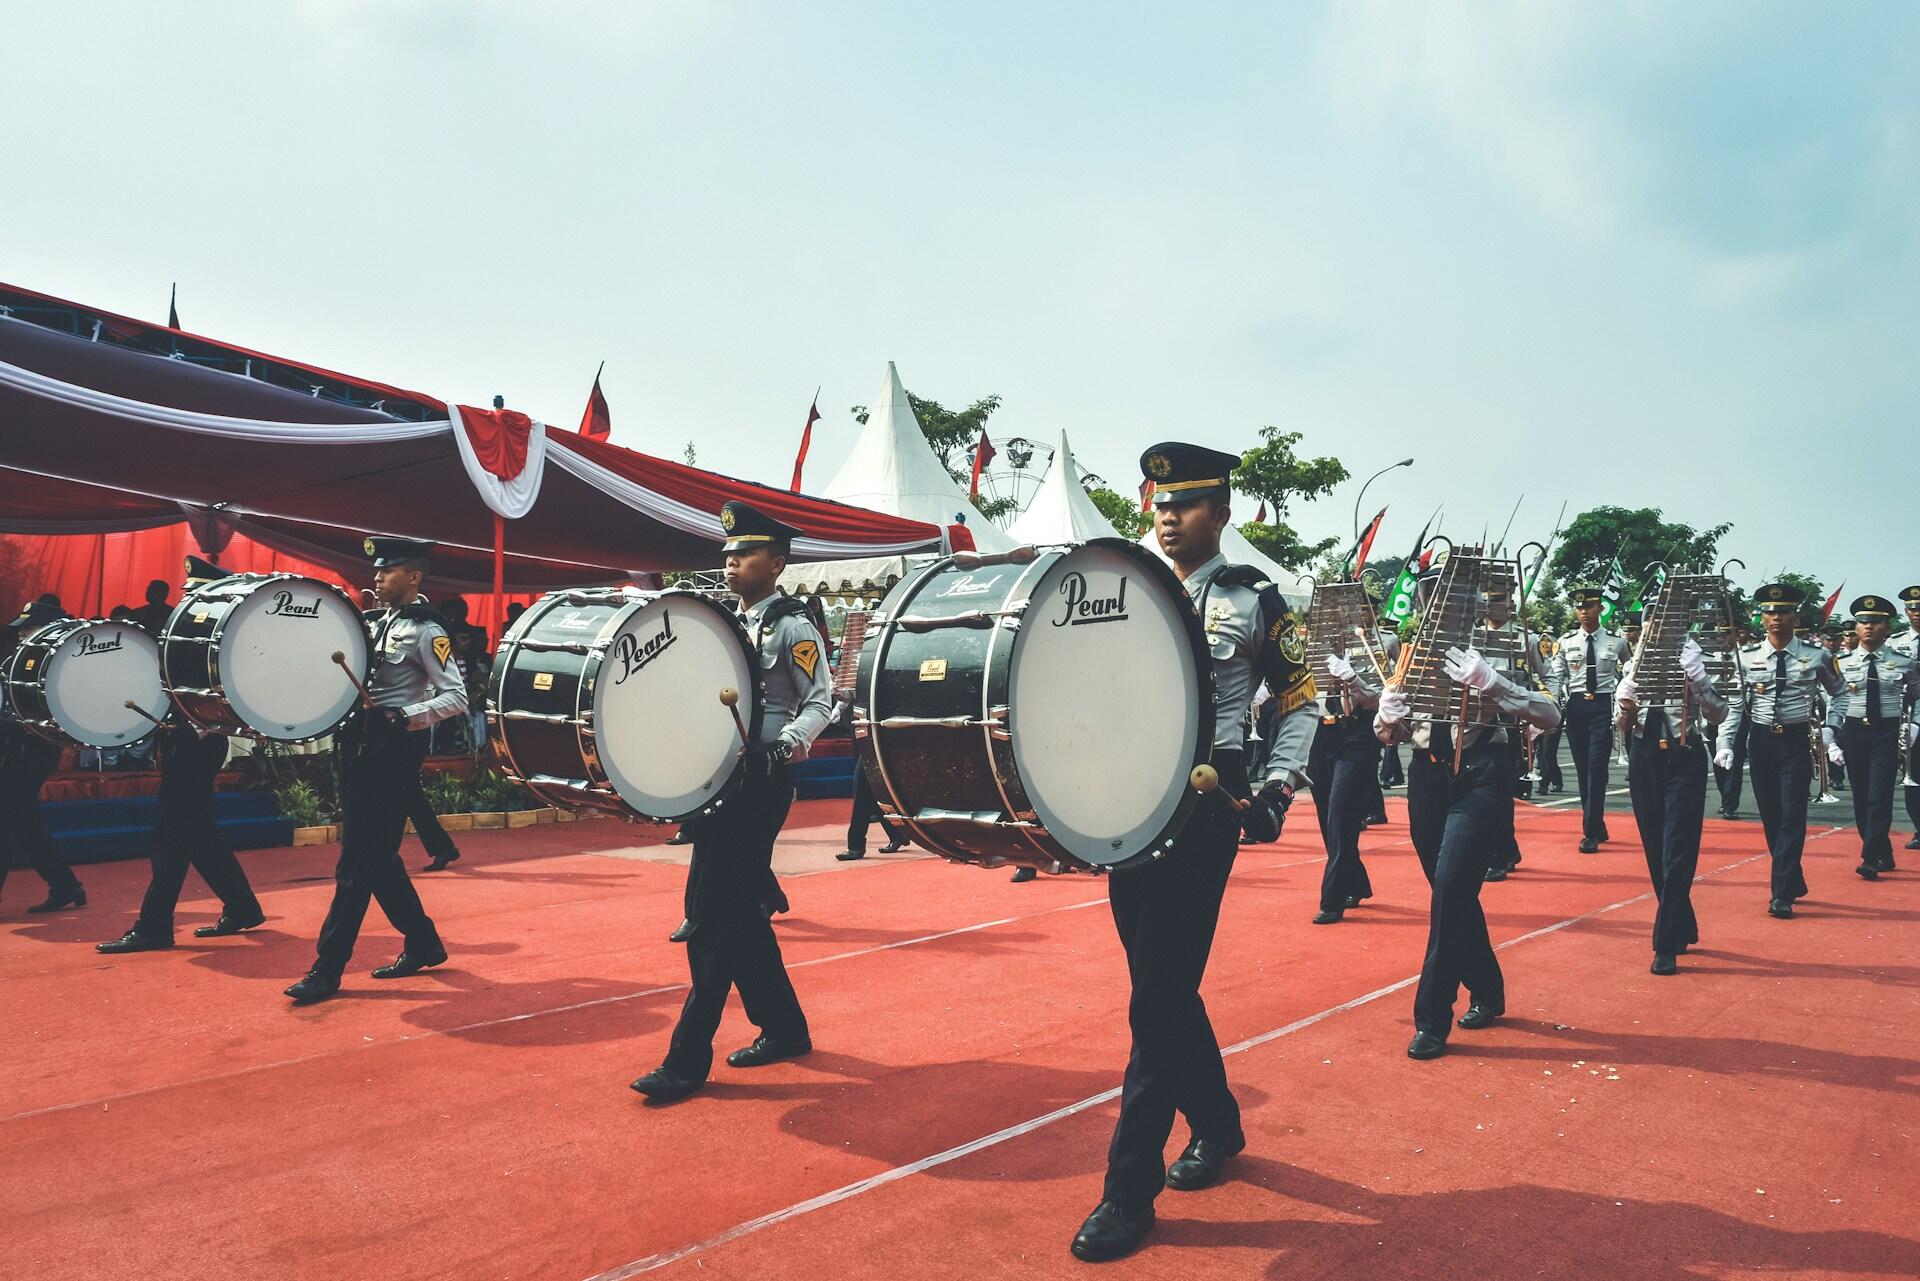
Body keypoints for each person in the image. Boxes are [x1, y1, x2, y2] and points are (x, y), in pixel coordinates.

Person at [1068, 443, 1319, 1264]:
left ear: (1222, 512)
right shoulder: (1127, 593)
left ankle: (1126, 1191)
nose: (1168, 514)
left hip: (1212, 800)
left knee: (1155, 999)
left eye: (1189, 501)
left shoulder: (1254, 599)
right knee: (1162, 985)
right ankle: (1216, 1121)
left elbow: (1300, 698)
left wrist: (1280, 785)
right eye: (1161, 502)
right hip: (1132, 800)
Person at [632, 501, 832, 1105]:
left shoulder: (793, 627)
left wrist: (787, 746)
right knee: (728, 913)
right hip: (719, 781)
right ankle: (786, 1028)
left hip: (761, 782)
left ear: (776, 562)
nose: (729, 563)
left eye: (742, 554)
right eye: (725, 554)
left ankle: (687, 1060)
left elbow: (821, 702)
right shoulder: (725, 626)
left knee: (712, 922)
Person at [1374, 584, 1562, 1062]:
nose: (1439, 609)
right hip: (1426, 775)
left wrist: (1496, 683)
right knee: (1449, 892)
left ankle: (1432, 1019)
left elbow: (1550, 713)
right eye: (1430, 601)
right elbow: (1388, 733)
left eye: (1451, 600)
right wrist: (1386, 718)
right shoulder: (1411, 656)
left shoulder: (1503, 648)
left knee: (1453, 890)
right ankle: (1488, 987)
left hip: (1481, 773)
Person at [284, 537, 465, 1004]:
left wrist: (405, 716)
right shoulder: (371, 623)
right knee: (378, 857)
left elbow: (457, 697)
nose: (378, 578)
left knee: (357, 861)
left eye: (388, 571)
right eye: (377, 571)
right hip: (360, 746)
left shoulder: (428, 630)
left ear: (414, 576)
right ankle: (423, 941)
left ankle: (327, 969)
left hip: (394, 751)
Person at [95, 560, 265, 951]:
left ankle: (154, 925)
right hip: (183, 739)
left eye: (197, 593)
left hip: (199, 741)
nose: (189, 599)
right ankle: (242, 907)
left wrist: (202, 724)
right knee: (199, 832)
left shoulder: (224, 639)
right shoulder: (188, 635)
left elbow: (242, 688)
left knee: (170, 833)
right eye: (189, 592)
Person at [1714, 583, 1844, 919]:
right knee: (1772, 816)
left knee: (1792, 815)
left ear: (1795, 616)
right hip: (1761, 740)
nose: (1776, 617)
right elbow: (1735, 704)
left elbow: (1839, 694)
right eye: (1769, 612)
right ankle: (1793, 878)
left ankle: (1780, 893)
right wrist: (1725, 742)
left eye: (1783, 611)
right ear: (1761, 618)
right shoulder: (1747, 658)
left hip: (1797, 740)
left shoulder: (1818, 656)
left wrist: (1832, 728)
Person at [1614, 631, 1727, 975]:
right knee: (1654, 845)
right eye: (1649, 627)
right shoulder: (1633, 667)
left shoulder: (1696, 663)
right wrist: (1625, 707)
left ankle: (1664, 944)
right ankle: (1682, 921)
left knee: (1678, 848)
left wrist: (1700, 681)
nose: (1653, 634)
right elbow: (1620, 728)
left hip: (1684, 753)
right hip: (1645, 755)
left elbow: (1718, 715)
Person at [1307, 601, 1393, 922]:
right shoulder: (1315, 648)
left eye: (1346, 610)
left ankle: (1332, 900)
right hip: (1322, 733)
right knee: (1325, 817)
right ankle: (1354, 881)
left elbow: (1386, 696)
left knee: (1341, 815)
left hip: (1358, 734)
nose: (1339, 616)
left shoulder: (1378, 646)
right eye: (1334, 611)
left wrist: (1355, 680)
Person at [0, 598, 87, 914]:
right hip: (16, 748)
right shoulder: (18, 661)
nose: (22, 634)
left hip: (34, 750)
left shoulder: (64, 664)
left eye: (29, 627)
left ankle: (65, 885)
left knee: (7, 817)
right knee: (23, 822)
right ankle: (65, 885)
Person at [1825, 595, 1917, 881]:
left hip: (1886, 732)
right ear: (1855, 628)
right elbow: (1834, 699)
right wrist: (1831, 734)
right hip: (1854, 731)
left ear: (1887, 626)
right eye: (1863, 622)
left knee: (1879, 795)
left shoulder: (1904, 662)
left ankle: (1869, 857)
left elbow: (1917, 696)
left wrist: (1915, 724)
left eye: (1875, 622)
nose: (1868, 627)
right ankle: (1882, 852)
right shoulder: (1841, 661)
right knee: (1862, 796)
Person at [1550, 586, 1631, 852]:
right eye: (1579, 608)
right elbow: (1556, 677)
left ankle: (1590, 832)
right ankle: (1596, 823)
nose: (1584, 612)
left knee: (1597, 769)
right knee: (1584, 769)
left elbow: (1630, 673)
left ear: (1600, 609)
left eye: (1590, 607)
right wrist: (1550, 705)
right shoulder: (1566, 642)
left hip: (1603, 706)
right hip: (1576, 707)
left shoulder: (1616, 642)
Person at [837, 764, 908, 861]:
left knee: (862, 791)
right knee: (869, 793)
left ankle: (856, 846)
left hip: (873, 750)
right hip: (871, 751)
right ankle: (896, 834)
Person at [1896, 586, 1920, 848]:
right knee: (1913, 773)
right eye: (1912, 608)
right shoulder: (1895, 643)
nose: (1917, 613)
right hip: (1908, 717)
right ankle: (1919, 828)